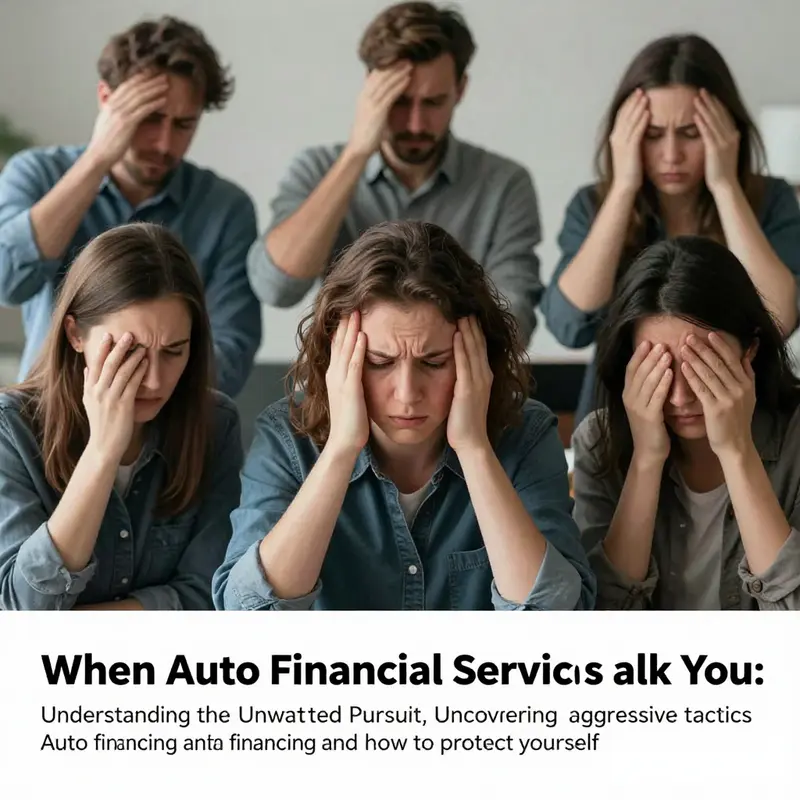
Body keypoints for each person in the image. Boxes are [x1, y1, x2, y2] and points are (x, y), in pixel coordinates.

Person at [214, 220, 594, 611]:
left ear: (477, 356)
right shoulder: (285, 436)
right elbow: (248, 615)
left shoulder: (526, 434)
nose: (408, 394)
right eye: (380, 362)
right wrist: (341, 450)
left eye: (434, 362)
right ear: (341, 357)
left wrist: (475, 449)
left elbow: (557, 618)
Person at [248, 1, 542, 346]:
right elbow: (276, 288)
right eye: (400, 102)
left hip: (458, 385)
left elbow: (514, 319)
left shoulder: (505, 184)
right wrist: (356, 154)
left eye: (433, 103)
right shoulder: (317, 169)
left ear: (460, 90)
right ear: (371, 89)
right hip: (342, 386)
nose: (416, 124)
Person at [542, 33, 800, 426]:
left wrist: (726, 185)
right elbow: (568, 324)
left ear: (727, 133)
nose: (671, 155)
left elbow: (779, 319)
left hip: (741, 426)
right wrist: (624, 187)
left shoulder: (771, 200)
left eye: (691, 134)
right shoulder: (594, 205)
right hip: (619, 429)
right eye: (652, 135)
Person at [0, 15, 261, 398]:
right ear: (107, 100)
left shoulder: (225, 208)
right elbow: (7, 281)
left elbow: (231, 349)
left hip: (168, 436)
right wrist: (97, 159)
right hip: (47, 425)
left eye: (184, 124)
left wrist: (148, 399)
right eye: (150, 118)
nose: (164, 143)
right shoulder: (38, 173)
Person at [0, 223, 243, 610]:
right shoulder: (10, 429)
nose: (154, 379)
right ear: (75, 334)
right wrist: (101, 452)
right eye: (131, 352)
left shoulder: (215, 423)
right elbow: (21, 609)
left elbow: (209, 595)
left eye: (174, 351)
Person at [573, 236, 800, 611]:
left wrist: (737, 450)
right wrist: (646, 459)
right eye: (658, 369)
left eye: (702, 365)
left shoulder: (793, 439)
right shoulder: (599, 441)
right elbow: (603, 619)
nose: (680, 397)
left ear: (750, 349)